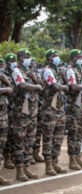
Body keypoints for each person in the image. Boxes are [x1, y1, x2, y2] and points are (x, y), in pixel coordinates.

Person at [12, 48, 43, 181]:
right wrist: (36, 86)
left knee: (30, 140)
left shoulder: (29, 72)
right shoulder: (16, 71)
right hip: (21, 111)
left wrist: (34, 79)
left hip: (32, 110)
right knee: (20, 140)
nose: (28, 59)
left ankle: (26, 167)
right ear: (20, 58)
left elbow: (42, 86)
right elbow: (21, 85)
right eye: (26, 56)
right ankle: (19, 170)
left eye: (29, 56)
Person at [41, 49, 68, 175]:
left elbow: (67, 87)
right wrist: (64, 86)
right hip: (50, 110)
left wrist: (63, 80)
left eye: (57, 55)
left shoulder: (58, 72)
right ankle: (48, 165)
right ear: (48, 58)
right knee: (48, 138)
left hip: (60, 109)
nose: (57, 58)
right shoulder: (47, 71)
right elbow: (55, 86)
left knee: (58, 138)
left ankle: (55, 162)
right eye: (54, 56)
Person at [65, 49, 82, 170]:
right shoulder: (70, 70)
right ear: (72, 58)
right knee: (73, 132)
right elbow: (73, 86)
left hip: (81, 105)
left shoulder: (81, 70)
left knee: (80, 131)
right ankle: (72, 159)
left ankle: (78, 157)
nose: (80, 59)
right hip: (73, 106)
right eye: (77, 57)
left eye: (81, 56)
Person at [3, 53, 17, 170]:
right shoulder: (4, 75)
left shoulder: (16, 73)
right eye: (10, 61)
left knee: (13, 133)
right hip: (5, 108)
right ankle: (6, 158)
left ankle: (12, 156)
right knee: (6, 135)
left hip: (14, 107)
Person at [0, 58, 12, 185]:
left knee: (1, 145)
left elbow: (11, 91)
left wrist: (5, 80)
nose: (1, 68)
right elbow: (8, 90)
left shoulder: (3, 78)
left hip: (3, 115)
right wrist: (6, 89)